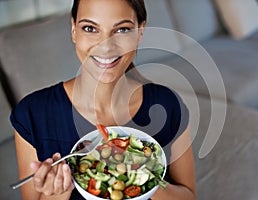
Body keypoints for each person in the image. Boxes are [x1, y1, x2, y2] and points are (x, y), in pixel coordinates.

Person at [10, 0, 197, 199]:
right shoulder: (32, 114)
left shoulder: (168, 105)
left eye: (122, 29)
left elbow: (188, 196)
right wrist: (58, 192)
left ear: (140, 33)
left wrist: (143, 176)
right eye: (90, 28)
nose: (106, 46)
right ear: (74, 30)